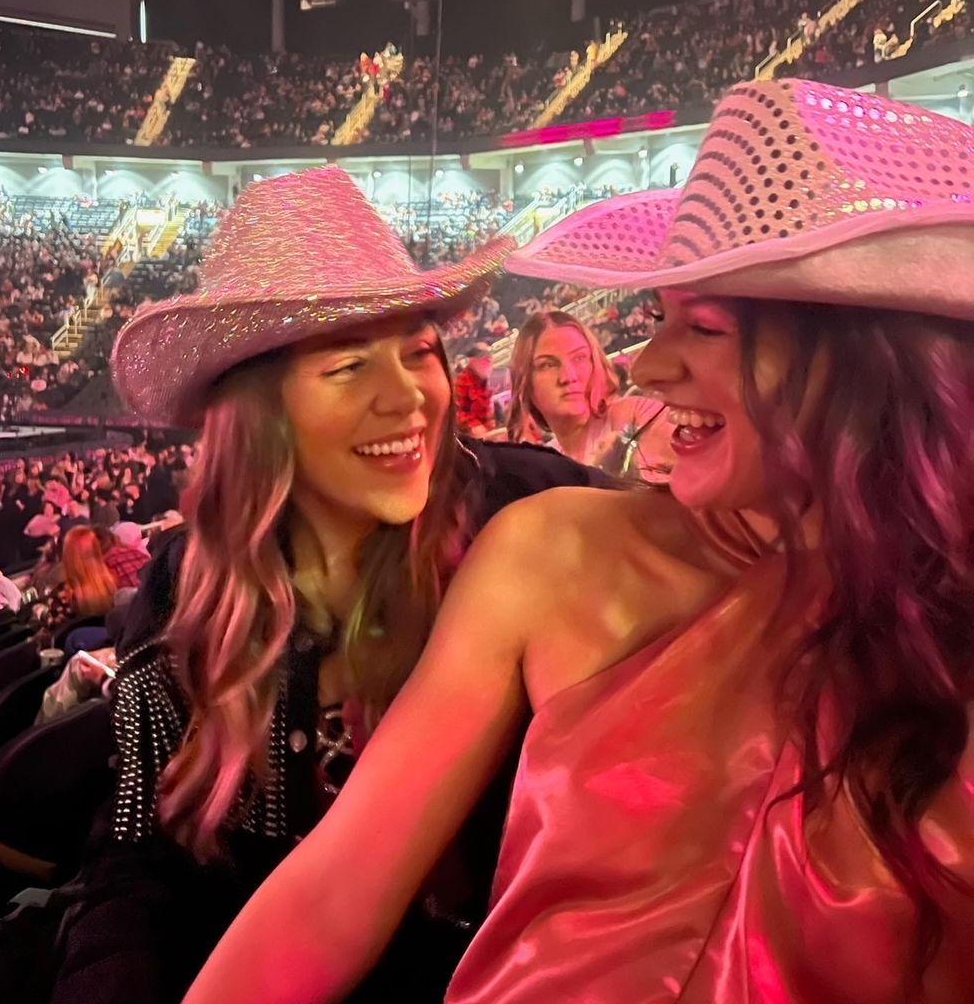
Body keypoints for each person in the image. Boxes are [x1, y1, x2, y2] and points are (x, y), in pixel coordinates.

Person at [185, 79, 974, 1004]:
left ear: (865, 368)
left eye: (704, 328)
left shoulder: (950, 627)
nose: (652, 364)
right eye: (659, 320)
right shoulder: (548, 549)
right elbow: (329, 898)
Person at [50, 167, 606, 1004]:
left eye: (419, 352)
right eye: (349, 366)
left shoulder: (532, 510)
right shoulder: (184, 584)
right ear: (262, 413)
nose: (408, 398)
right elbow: (135, 859)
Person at [506, 310, 673, 480]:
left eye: (579, 358)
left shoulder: (637, 417)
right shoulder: (547, 465)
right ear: (525, 382)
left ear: (596, 362)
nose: (568, 377)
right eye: (548, 365)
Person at [453, 342, 495, 436]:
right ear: (472, 360)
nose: (488, 359)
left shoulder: (486, 382)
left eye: (490, 355)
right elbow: (456, 413)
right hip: (469, 437)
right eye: (483, 355)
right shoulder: (462, 381)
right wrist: (474, 425)